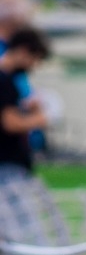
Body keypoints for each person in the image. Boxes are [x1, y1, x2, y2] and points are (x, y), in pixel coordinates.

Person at [0, 26, 51, 177]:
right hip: (8, 166)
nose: (34, 66)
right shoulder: (5, 81)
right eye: (35, 59)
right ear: (23, 51)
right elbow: (10, 123)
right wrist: (39, 119)